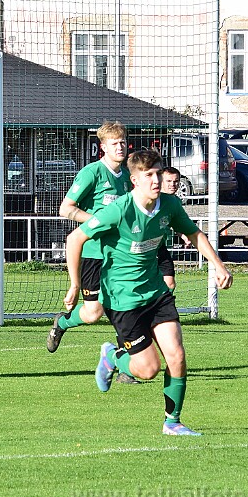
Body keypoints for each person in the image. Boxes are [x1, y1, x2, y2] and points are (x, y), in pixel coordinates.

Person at [65, 149, 232, 435]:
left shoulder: (169, 205)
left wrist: (218, 265)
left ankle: (173, 422)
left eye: (158, 173)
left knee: (176, 356)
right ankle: (112, 357)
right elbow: (75, 238)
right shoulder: (119, 209)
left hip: (156, 293)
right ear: (135, 180)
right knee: (148, 369)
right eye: (149, 175)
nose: (156, 180)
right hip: (123, 298)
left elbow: (194, 234)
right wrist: (75, 284)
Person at [47, 121, 132, 353]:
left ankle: (126, 358)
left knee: (124, 304)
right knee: (93, 313)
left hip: (119, 254)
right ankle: (62, 323)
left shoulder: (127, 175)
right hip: (93, 253)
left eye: (122, 142)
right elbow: (65, 209)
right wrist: (98, 220)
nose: (120, 147)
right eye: (114, 143)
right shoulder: (91, 173)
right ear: (103, 147)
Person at [158, 166, 183, 291]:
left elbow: (177, 222)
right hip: (144, 247)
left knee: (170, 283)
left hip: (160, 246)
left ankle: (162, 303)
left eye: (176, 181)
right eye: (168, 181)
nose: (173, 184)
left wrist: (184, 235)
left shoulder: (176, 201)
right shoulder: (154, 198)